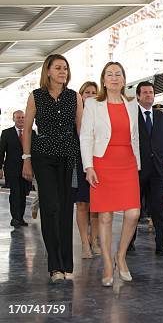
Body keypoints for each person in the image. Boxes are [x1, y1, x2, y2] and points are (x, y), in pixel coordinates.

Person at [21, 54, 83, 283]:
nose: (62, 72)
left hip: (69, 156)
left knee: (66, 209)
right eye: (57, 68)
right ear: (47, 71)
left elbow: (81, 131)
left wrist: (88, 162)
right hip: (43, 156)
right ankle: (54, 266)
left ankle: (67, 265)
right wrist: (26, 159)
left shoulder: (74, 97)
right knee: (51, 207)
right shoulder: (36, 96)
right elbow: (27, 130)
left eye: (65, 68)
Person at [80, 62, 141, 287]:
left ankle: (120, 256)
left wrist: (138, 165)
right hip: (102, 162)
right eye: (109, 74)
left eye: (118, 74)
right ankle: (107, 263)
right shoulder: (92, 104)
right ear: (103, 80)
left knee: (133, 213)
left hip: (127, 163)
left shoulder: (132, 104)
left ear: (124, 80)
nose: (114, 77)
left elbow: (135, 138)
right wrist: (88, 166)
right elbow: (86, 136)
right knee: (104, 217)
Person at [130, 81, 163, 256]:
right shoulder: (132, 116)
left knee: (158, 208)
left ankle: (161, 245)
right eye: (145, 92)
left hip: (157, 170)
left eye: (151, 92)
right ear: (138, 96)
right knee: (133, 207)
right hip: (137, 169)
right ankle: (128, 242)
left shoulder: (161, 117)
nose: (149, 95)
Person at [73, 81, 101, 259]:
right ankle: (84, 243)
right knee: (82, 204)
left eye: (93, 92)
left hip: (98, 162)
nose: (90, 95)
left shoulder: (101, 113)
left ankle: (95, 240)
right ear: (81, 96)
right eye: (87, 92)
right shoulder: (74, 114)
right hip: (79, 162)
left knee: (97, 207)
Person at [0, 110, 33, 227]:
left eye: (23, 117)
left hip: (26, 170)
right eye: (18, 117)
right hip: (12, 170)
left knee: (23, 194)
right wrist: (0, 168)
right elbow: (1, 151)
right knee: (15, 194)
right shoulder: (6, 133)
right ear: (13, 119)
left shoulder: (31, 133)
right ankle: (15, 218)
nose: (21, 119)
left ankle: (20, 218)